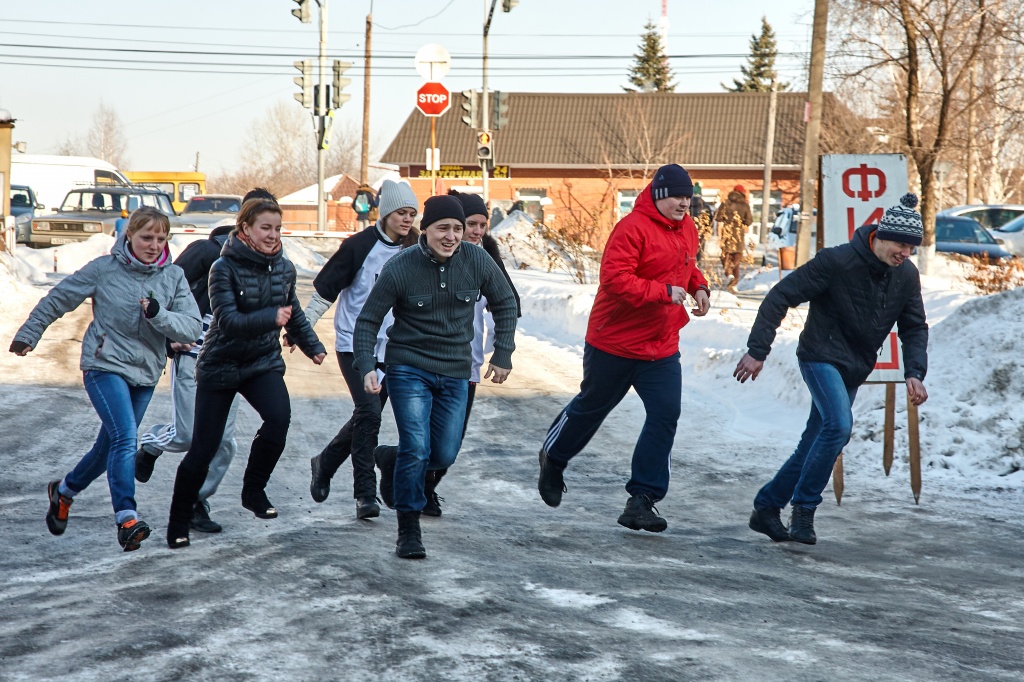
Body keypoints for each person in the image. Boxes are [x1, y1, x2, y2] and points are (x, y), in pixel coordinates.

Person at [735, 193, 929, 545]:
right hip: (820, 356)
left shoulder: (906, 275)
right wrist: (757, 350)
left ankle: (767, 506)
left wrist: (914, 371)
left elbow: (914, 326)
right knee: (838, 426)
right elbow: (781, 295)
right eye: (902, 245)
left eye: (912, 247)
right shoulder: (837, 261)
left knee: (816, 440)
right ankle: (804, 509)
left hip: (855, 365)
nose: (906, 253)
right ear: (883, 236)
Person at [11, 207, 202, 551]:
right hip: (104, 365)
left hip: (145, 373)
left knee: (107, 449)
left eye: (161, 239)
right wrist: (29, 332)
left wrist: (159, 315)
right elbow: (59, 298)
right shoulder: (104, 269)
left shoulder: (173, 276)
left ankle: (64, 492)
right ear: (129, 235)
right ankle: (127, 518)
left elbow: (191, 327)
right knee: (126, 437)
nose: (154, 245)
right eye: (146, 237)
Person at [537, 164, 711, 533]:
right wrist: (663, 292)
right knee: (592, 408)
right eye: (677, 197)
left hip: (660, 345)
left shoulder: (688, 228)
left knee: (666, 414)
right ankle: (553, 457)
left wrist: (699, 287)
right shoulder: (632, 228)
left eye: (688, 197)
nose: (684, 203)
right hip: (614, 341)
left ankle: (642, 498)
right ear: (659, 196)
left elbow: (687, 267)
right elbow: (615, 280)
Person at [353, 194, 518, 559]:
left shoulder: (476, 260)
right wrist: (366, 365)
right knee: (417, 446)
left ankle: (391, 459)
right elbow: (368, 321)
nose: (452, 236)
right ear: (424, 229)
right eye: (443, 228)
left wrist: (503, 351)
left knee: (443, 453)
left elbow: (506, 302)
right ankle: (408, 530)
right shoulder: (400, 267)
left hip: (456, 371)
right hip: (408, 367)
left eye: (458, 228)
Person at [165, 197, 326, 549]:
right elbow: (228, 320)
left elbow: (293, 312)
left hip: (261, 362)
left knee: (278, 419)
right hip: (220, 363)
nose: (273, 235)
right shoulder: (222, 268)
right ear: (245, 230)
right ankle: (178, 521)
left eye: (278, 229)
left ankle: (253, 490)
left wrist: (312, 345)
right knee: (204, 448)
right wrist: (271, 318)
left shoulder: (284, 268)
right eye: (265, 228)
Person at [135, 188, 278, 534]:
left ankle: (195, 502)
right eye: (260, 223)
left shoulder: (272, 264)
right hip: (193, 355)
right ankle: (151, 444)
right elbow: (161, 292)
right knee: (187, 435)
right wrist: (168, 338)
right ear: (244, 222)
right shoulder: (208, 250)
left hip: (233, 364)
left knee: (223, 443)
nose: (269, 233)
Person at [303, 179, 419, 520]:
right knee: (369, 414)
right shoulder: (358, 246)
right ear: (385, 212)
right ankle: (365, 494)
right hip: (354, 344)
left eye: (412, 214)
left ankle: (325, 462)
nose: (407, 219)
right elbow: (325, 291)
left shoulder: (415, 248)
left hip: (393, 348)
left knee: (366, 417)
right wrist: (302, 329)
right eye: (401, 212)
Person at [714, 184, 753, 294]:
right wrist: (742, 224)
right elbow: (749, 221)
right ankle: (734, 283)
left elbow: (719, 221)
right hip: (739, 235)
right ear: (742, 193)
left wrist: (719, 237)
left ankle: (729, 273)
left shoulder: (725, 203)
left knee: (725, 256)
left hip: (726, 233)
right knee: (736, 259)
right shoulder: (745, 205)